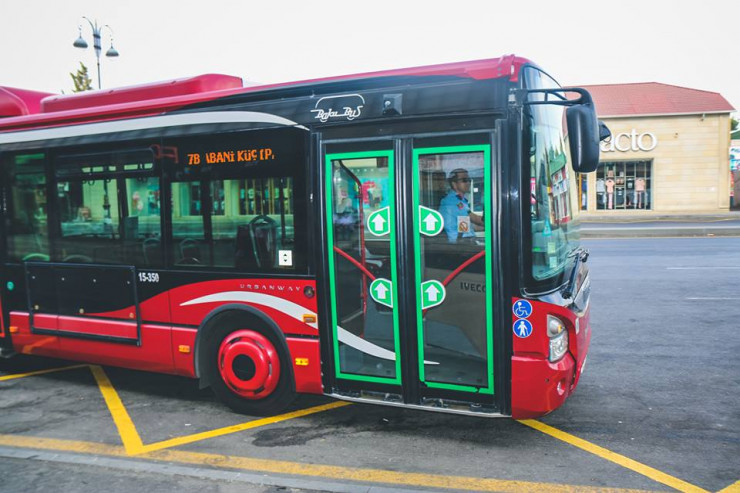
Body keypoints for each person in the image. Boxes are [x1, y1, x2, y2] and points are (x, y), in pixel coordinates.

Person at [439, 168, 484, 243]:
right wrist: (491, 221)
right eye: (464, 180)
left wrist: (485, 227)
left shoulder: (460, 200)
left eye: (469, 180)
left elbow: (466, 225)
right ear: (454, 184)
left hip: (464, 240)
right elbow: (475, 219)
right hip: (459, 244)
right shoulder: (453, 201)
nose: (468, 183)